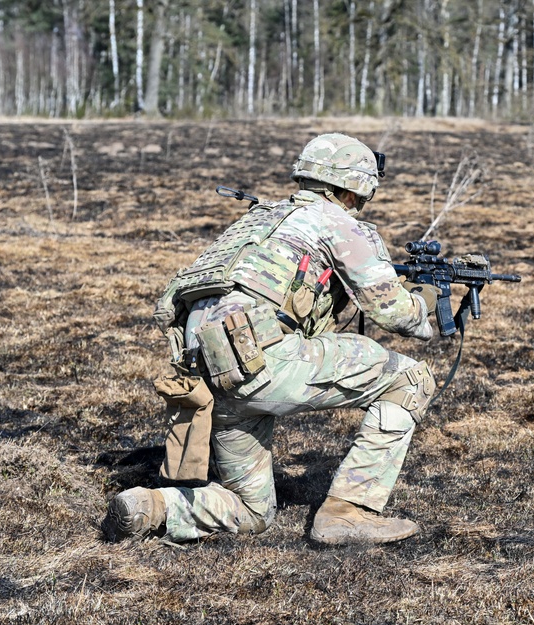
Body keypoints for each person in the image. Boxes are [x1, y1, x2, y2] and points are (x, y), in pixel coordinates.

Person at [102, 133, 438, 545]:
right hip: (264, 361)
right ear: (354, 189)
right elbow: (393, 312)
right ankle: (349, 514)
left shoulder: (255, 222)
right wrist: (427, 308)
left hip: (208, 377)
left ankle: (150, 508)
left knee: (252, 511)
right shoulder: (337, 222)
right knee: (410, 380)